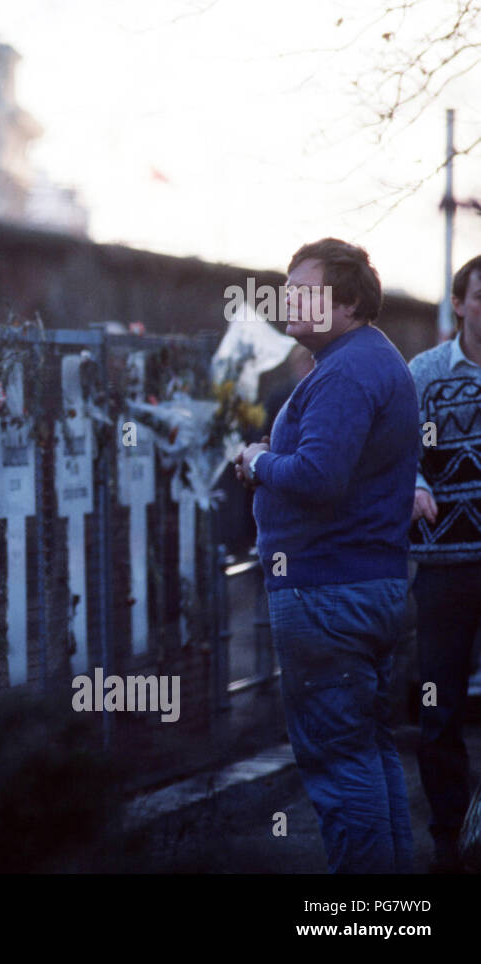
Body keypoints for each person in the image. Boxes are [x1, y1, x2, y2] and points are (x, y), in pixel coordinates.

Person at [234, 238, 418, 873]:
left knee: (340, 766)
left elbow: (318, 476)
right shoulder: (366, 360)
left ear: (344, 302)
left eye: (301, 289)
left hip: (326, 595)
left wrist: (259, 462)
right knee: (367, 752)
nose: (286, 299)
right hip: (361, 587)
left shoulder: (343, 371)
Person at [406, 252, 481, 872]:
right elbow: (395, 447)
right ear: (459, 304)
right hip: (444, 569)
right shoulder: (426, 374)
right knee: (439, 706)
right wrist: (412, 483)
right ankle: (448, 840)